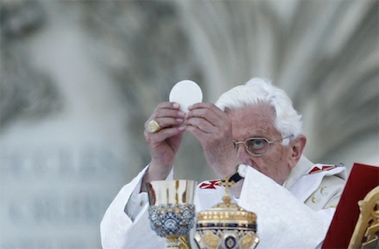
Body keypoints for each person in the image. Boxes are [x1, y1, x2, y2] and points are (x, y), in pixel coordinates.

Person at [100, 78, 346, 249]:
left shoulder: (338, 196)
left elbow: (311, 241)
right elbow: (120, 243)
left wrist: (232, 171)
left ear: (294, 149)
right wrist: (159, 165)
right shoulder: (207, 199)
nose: (242, 158)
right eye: (230, 145)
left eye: (257, 143)